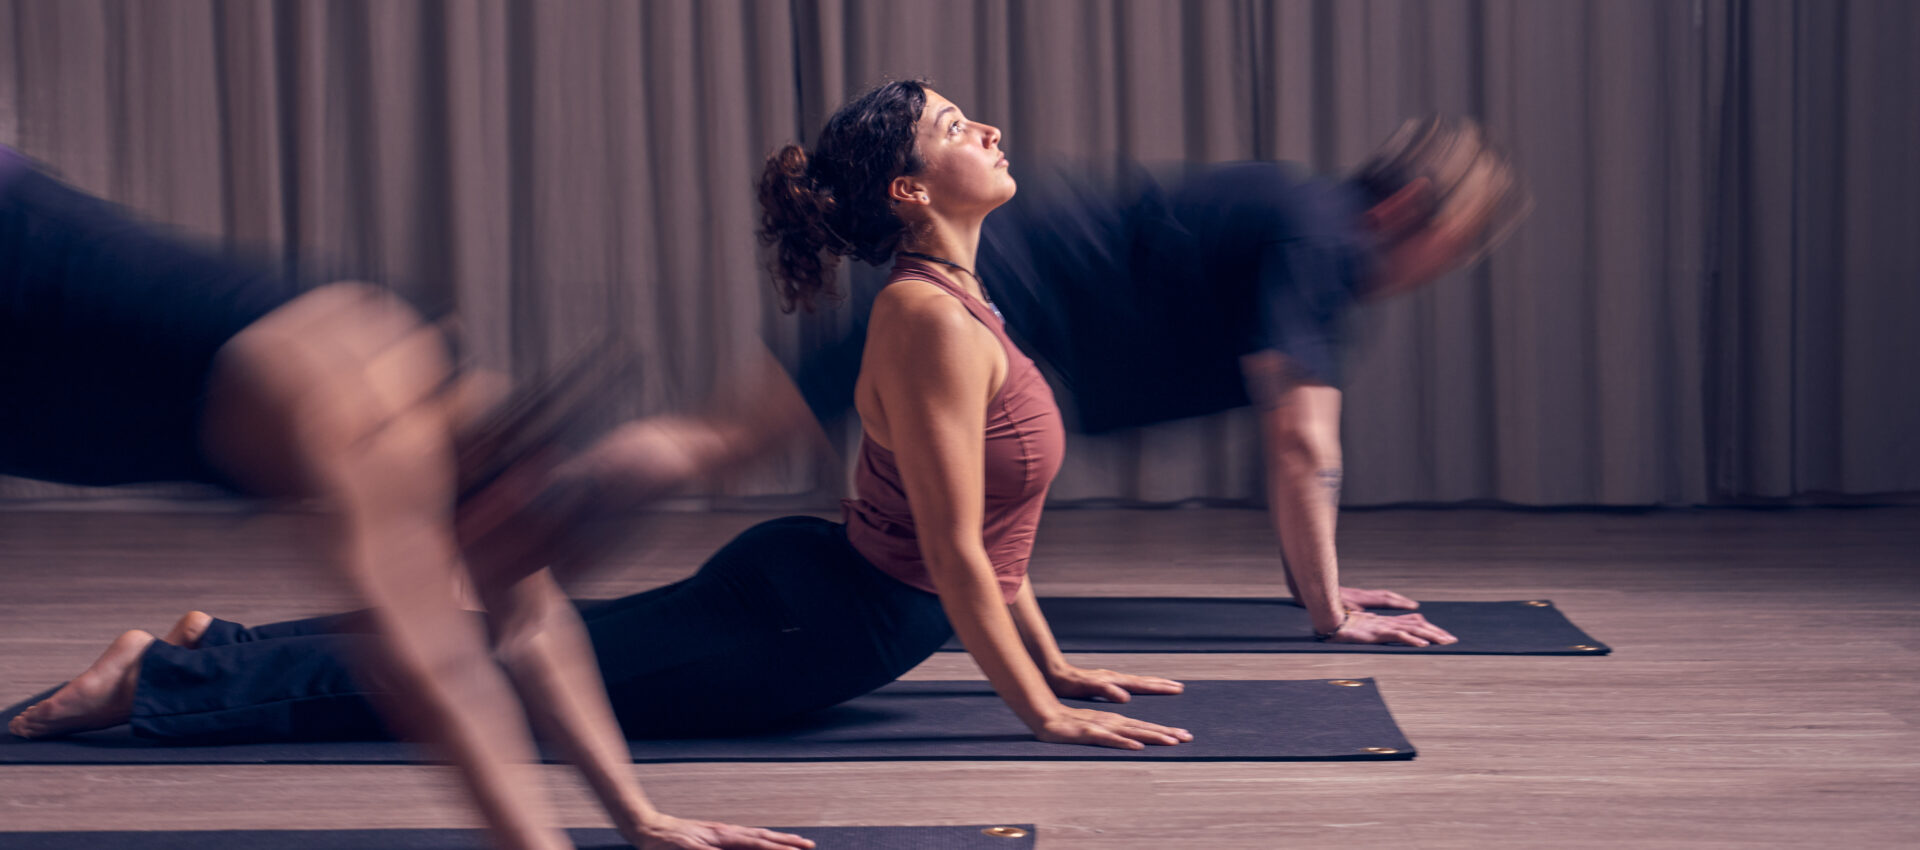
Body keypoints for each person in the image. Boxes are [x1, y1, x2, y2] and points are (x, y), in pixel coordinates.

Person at [6, 81, 1190, 757]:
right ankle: (158, 682)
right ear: (909, 192)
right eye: (954, 125)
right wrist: (1036, 714)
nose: (986, 128)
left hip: (818, 600)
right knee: (490, 674)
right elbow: (948, 549)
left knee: (498, 639)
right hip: (809, 630)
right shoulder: (929, 320)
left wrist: (1058, 662)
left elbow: (992, 530)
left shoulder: (966, 299)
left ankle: (224, 643)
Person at [0, 145, 808, 850]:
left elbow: (533, 627)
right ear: (495, 493)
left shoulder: (471, 425)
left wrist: (640, 816)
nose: (476, 579)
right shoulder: (358, 414)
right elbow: (441, 680)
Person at [574, 114, 1528, 649]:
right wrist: (1330, 614)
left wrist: (1316, 589)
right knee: (723, 438)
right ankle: (487, 524)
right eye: (1458, 240)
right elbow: (1301, 441)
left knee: (724, 435)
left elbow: (1298, 442)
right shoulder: (1321, 239)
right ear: (1407, 210)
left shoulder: (1308, 224)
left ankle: (491, 530)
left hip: (999, 287)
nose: (1453, 261)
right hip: (984, 282)